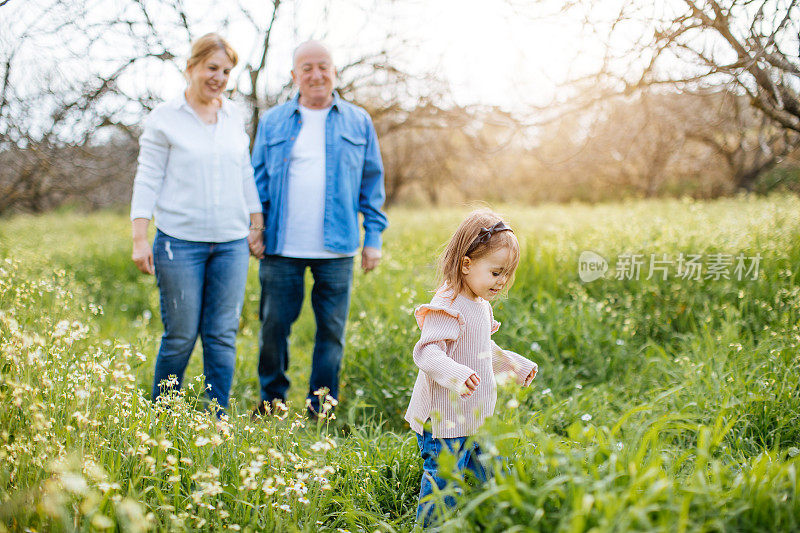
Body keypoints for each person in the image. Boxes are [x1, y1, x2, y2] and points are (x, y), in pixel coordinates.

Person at [250, 40, 388, 417]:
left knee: (331, 334)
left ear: (334, 71)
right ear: (294, 75)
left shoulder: (358, 121)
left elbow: (372, 184)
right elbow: (257, 179)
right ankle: (271, 400)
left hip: (338, 249)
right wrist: (254, 226)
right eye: (306, 67)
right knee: (273, 329)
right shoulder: (274, 121)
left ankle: (320, 408)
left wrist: (372, 238)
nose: (315, 74)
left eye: (323, 66)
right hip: (280, 247)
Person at [130, 33, 265, 414]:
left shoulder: (233, 114)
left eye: (225, 71)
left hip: (231, 244)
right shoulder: (165, 118)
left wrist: (256, 223)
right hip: (179, 243)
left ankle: (216, 419)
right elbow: (147, 179)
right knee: (181, 335)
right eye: (212, 68)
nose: (219, 77)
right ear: (191, 66)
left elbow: (244, 172)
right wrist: (140, 238)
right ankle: (162, 418)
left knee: (222, 336)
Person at [404, 210, 539, 527]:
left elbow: (481, 350)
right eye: (496, 272)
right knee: (444, 480)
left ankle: (494, 518)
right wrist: (456, 374)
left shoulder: (480, 304)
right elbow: (427, 352)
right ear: (466, 264)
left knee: (489, 469)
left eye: (507, 273)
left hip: (475, 415)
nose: (502, 281)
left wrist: (513, 365)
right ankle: (431, 527)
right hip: (444, 420)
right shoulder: (448, 304)